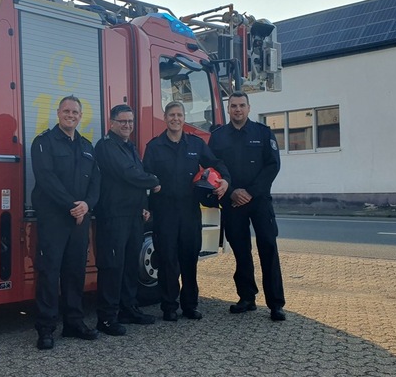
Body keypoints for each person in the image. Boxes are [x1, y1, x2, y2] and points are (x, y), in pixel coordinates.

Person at [143, 101, 230, 322]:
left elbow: (216, 162)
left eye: (179, 115)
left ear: (184, 117)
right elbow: (144, 177)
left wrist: (226, 181)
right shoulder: (154, 147)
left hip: (190, 211)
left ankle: (190, 305)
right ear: (165, 118)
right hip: (164, 212)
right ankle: (169, 306)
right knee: (167, 260)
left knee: (189, 259)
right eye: (171, 115)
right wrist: (146, 205)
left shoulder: (196, 144)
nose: (176, 119)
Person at [208, 91, 286, 321]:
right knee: (241, 252)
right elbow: (212, 168)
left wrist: (250, 192)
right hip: (232, 202)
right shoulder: (218, 137)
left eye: (242, 105)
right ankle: (247, 297)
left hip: (259, 201)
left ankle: (276, 304)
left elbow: (273, 166)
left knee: (268, 249)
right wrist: (232, 192)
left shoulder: (263, 133)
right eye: (233, 106)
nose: (238, 109)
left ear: (249, 108)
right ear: (228, 109)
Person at [31, 95, 101, 349]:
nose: (71, 115)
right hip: (54, 219)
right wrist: (73, 205)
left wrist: (88, 204)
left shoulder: (86, 146)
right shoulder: (43, 142)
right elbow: (46, 178)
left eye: (75, 112)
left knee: (75, 272)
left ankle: (74, 323)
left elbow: (96, 181)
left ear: (80, 116)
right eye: (66, 111)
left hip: (79, 219)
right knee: (49, 272)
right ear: (58, 113)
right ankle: (46, 328)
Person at [93, 104, 161, 336]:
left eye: (130, 122)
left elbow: (134, 177)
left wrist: (144, 206)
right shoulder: (105, 147)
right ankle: (107, 317)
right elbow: (127, 173)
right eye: (122, 121)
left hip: (132, 216)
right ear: (111, 122)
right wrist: (153, 180)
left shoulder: (129, 147)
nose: (127, 125)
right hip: (113, 216)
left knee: (130, 266)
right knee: (112, 267)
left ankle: (128, 309)